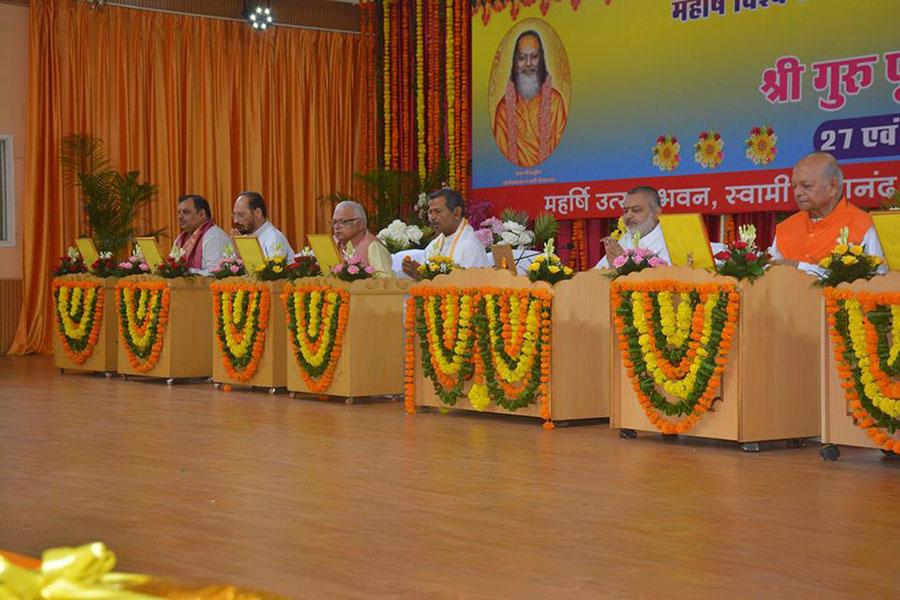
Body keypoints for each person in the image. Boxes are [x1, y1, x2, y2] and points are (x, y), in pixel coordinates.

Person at [769, 152, 885, 273]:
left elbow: (875, 279)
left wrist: (801, 267)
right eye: (794, 186)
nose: (797, 192)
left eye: (806, 186)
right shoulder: (786, 228)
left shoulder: (865, 226)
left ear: (833, 187)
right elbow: (771, 274)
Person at [492, 30, 567, 168]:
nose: (528, 64)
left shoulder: (555, 102)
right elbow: (498, 165)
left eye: (534, 57)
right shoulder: (503, 109)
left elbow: (564, 156)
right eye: (522, 58)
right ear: (515, 62)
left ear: (541, 60)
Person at [401, 189, 491, 279]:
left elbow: (470, 286)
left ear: (456, 213)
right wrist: (420, 274)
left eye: (438, 211)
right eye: (430, 212)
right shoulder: (433, 246)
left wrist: (422, 276)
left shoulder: (471, 246)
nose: (432, 217)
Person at [595, 186, 671, 269]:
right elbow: (598, 271)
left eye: (636, 210)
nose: (628, 216)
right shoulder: (626, 239)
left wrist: (624, 265)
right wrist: (612, 267)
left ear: (656, 213)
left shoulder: (669, 242)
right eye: (625, 211)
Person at [332, 200, 393, 277]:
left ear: (360, 224)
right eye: (334, 222)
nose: (337, 227)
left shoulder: (373, 246)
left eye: (343, 222)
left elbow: (386, 280)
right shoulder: (331, 243)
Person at [173, 194, 230, 275]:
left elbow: (217, 273)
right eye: (179, 212)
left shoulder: (214, 237)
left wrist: (187, 272)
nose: (180, 216)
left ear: (201, 214)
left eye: (186, 212)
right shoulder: (180, 239)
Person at [231, 191, 294, 261]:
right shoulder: (245, 237)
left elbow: (268, 271)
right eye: (234, 215)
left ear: (258, 213)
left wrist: (241, 255)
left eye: (241, 215)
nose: (235, 220)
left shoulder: (274, 238)